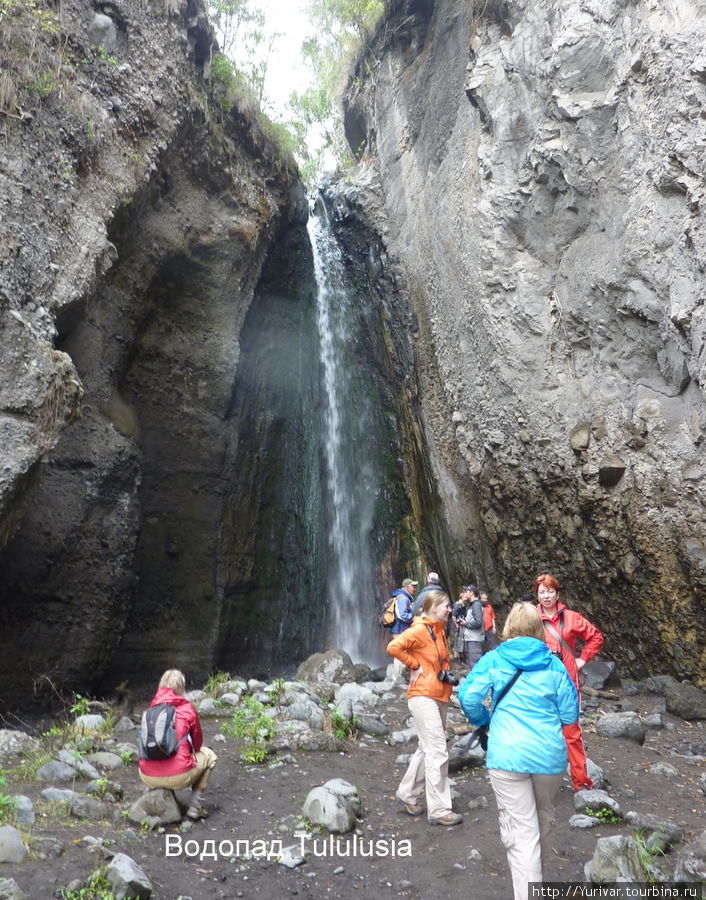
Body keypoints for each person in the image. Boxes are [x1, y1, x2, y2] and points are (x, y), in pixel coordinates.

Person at [458, 603, 579, 900]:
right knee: (539, 820)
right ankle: (535, 876)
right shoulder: (554, 664)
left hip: (507, 755)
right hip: (549, 759)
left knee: (523, 834)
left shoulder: (495, 659)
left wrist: (483, 720)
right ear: (539, 629)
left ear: (509, 627)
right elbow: (570, 714)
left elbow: (468, 695)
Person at [387, 589, 463, 827]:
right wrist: (414, 664)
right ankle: (439, 810)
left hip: (438, 694)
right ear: (433, 608)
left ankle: (408, 793)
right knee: (438, 749)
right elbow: (394, 646)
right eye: (446, 606)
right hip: (422, 695)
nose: (450, 609)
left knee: (426, 747)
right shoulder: (420, 629)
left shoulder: (439, 630)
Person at [535, 573, 604, 792]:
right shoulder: (530, 618)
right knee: (541, 731)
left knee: (572, 733)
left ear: (558, 593)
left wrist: (582, 659)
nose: (546, 596)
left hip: (567, 683)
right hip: (539, 683)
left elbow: (596, 636)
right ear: (537, 594)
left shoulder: (572, 618)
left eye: (550, 591)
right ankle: (542, 782)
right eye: (542, 592)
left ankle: (581, 781)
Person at [138, 669, 218, 820]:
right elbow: (197, 744)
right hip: (179, 776)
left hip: (147, 775)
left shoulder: (150, 711)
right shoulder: (187, 709)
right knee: (210, 756)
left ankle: (149, 795)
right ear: (181, 687)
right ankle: (194, 806)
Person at [388, 578, 418, 682]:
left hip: (402, 630)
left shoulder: (406, 597)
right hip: (400, 630)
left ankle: (400, 677)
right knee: (400, 654)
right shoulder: (403, 598)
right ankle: (397, 678)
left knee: (403, 653)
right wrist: (414, 618)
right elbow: (402, 615)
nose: (415, 588)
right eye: (413, 586)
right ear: (406, 587)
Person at [460, 585, 484, 669]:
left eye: (466, 592)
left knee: (476, 664)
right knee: (473, 662)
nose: (464, 594)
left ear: (472, 593)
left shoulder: (476, 605)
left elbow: (478, 622)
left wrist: (466, 623)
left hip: (475, 639)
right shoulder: (472, 605)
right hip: (472, 638)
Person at [451, 591, 468, 661]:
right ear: (461, 597)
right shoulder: (458, 605)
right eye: (465, 597)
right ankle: (456, 658)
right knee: (457, 641)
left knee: (460, 641)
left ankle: (461, 658)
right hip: (458, 626)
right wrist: (456, 625)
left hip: (461, 625)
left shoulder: (463, 605)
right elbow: (453, 616)